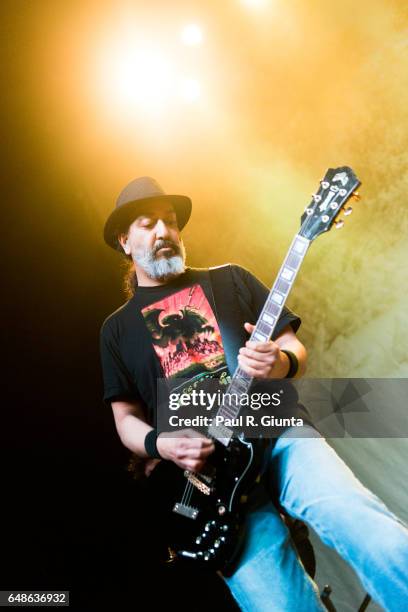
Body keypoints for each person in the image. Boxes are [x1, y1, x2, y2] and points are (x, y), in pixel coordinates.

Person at [100, 176, 408, 612]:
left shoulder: (230, 280)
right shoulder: (116, 330)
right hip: (211, 485)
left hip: (280, 434)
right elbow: (125, 417)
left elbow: (291, 347)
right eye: (148, 224)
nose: (164, 232)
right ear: (124, 241)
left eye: (170, 221)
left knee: (370, 531)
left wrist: (280, 363)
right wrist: (160, 443)